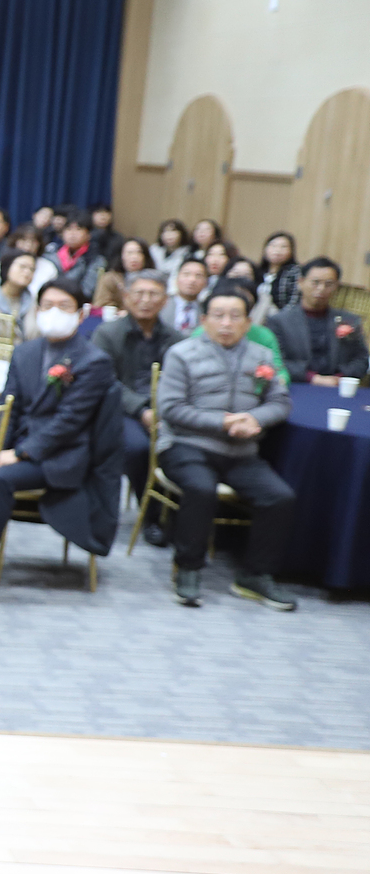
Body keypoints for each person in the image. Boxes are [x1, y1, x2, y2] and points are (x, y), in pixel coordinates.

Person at [0, 281, 120, 603]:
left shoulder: (94, 361)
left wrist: (18, 454)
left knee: (0, 480)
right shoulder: (25, 352)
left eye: (63, 306)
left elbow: (68, 423)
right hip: (15, 449)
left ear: (81, 315)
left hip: (61, 456)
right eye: (47, 305)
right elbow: (9, 408)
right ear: (37, 310)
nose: (54, 312)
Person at [157, 289, 298, 610]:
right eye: (218, 316)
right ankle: (188, 568)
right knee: (200, 488)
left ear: (248, 323)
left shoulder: (262, 356)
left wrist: (255, 419)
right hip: (187, 446)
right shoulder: (181, 353)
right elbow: (171, 408)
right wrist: (223, 422)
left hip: (240, 452)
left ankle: (255, 575)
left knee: (279, 497)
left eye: (235, 316)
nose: (226, 323)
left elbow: (281, 402)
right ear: (204, 320)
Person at [93, 270, 180, 544]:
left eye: (153, 294)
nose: (146, 300)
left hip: (165, 410)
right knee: (139, 448)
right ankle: (150, 516)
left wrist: (162, 410)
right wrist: (141, 409)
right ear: (127, 297)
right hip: (120, 409)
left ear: (165, 300)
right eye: (139, 293)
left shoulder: (175, 338)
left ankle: (180, 517)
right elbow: (104, 380)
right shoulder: (108, 333)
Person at [273, 256, 368, 386]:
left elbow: (362, 359)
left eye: (328, 284)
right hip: (297, 386)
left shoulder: (349, 320)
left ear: (336, 287)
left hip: (338, 386)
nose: (321, 288)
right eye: (315, 282)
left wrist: (340, 378)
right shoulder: (280, 321)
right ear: (300, 283)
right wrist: (312, 378)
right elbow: (277, 360)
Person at [0, 250, 41, 338]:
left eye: (32, 269)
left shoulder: (34, 303)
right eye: (22, 266)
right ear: (7, 267)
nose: (27, 272)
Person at [48, 212, 106, 299]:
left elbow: (87, 290)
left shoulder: (95, 260)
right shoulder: (51, 254)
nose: (72, 234)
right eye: (68, 229)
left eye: (78, 229)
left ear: (88, 234)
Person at [256, 232, 301, 317]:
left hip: (281, 317)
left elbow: (294, 302)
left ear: (291, 251)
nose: (277, 250)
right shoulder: (257, 271)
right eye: (273, 246)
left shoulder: (295, 273)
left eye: (283, 247)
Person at [161, 258, 208, 334]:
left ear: (205, 282)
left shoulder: (206, 310)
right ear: (177, 278)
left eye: (198, 275)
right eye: (186, 274)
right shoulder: (162, 304)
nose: (192, 280)